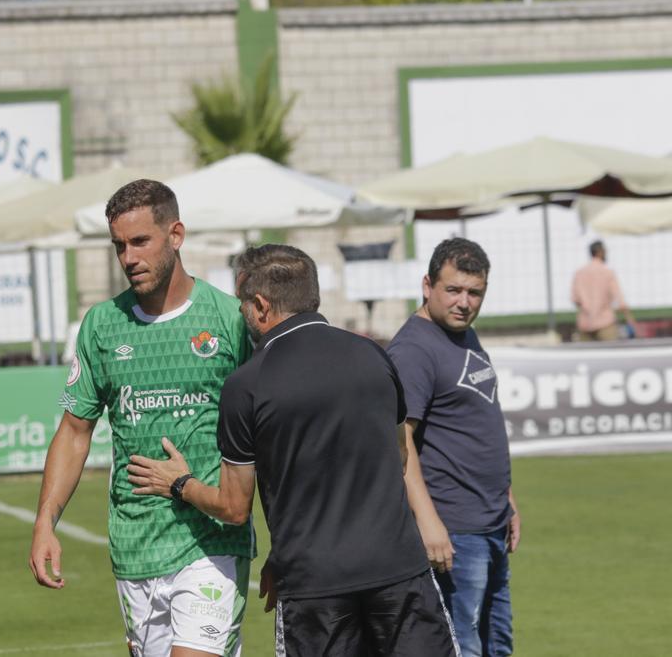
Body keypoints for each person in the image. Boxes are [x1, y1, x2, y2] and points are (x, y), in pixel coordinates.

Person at [127, 244, 459, 657]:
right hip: (399, 573)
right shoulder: (373, 355)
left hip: (315, 589)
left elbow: (233, 507)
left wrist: (179, 483)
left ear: (262, 305)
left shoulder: (246, 385)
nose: (241, 313)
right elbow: (399, 455)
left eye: (242, 303)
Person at [29, 179, 254, 657]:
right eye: (118, 246)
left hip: (212, 542)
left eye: (140, 242)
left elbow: (265, 436)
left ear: (175, 235)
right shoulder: (102, 325)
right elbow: (74, 432)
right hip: (135, 546)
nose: (128, 257)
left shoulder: (229, 319)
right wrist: (46, 521)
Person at [386, 237, 520, 657]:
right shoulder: (413, 349)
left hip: (490, 520)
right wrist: (429, 522)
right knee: (460, 647)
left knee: (496, 644)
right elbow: (398, 441)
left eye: (474, 292)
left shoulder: (463, 334)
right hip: (454, 527)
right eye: (453, 290)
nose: (464, 302)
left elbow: (478, 422)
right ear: (427, 286)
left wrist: (507, 499)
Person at [571, 240, 635, 341]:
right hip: (606, 324)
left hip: (585, 324)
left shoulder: (579, 273)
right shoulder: (607, 272)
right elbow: (620, 300)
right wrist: (630, 320)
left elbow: (575, 299)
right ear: (600, 252)